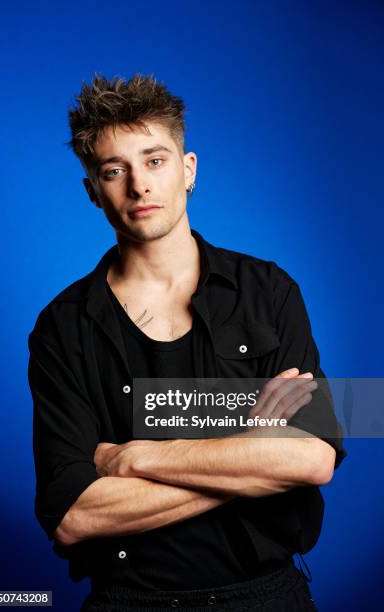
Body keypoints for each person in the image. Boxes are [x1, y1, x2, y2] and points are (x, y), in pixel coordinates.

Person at [28, 73, 346, 611]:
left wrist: (138, 459)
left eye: (155, 160)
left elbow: (312, 458)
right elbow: (73, 516)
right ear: (92, 190)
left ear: (188, 169)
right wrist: (250, 449)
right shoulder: (62, 326)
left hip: (268, 595)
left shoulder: (268, 290)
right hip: (130, 600)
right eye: (114, 170)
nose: (139, 185)